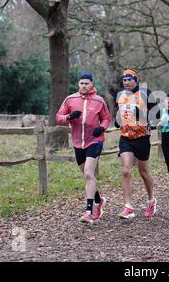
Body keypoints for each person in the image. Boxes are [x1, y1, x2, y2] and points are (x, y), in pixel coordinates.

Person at [56, 70, 111, 224]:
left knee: (88, 173)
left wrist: (102, 127)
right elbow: (58, 117)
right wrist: (68, 117)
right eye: (81, 83)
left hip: (94, 140)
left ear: (92, 84)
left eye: (87, 83)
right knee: (87, 175)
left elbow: (106, 118)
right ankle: (99, 201)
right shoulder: (70, 99)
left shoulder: (99, 101)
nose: (84, 86)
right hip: (77, 142)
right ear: (78, 84)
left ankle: (89, 211)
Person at [115, 68, 157, 219]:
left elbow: (157, 116)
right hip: (125, 137)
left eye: (129, 80)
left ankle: (151, 199)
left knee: (143, 173)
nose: (126, 83)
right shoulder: (120, 95)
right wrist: (117, 120)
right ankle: (128, 207)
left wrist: (143, 115)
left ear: (136, 80)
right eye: (124, 80)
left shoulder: (146, 93)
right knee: (126, 170)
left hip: (142, 138)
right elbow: (119, 113)